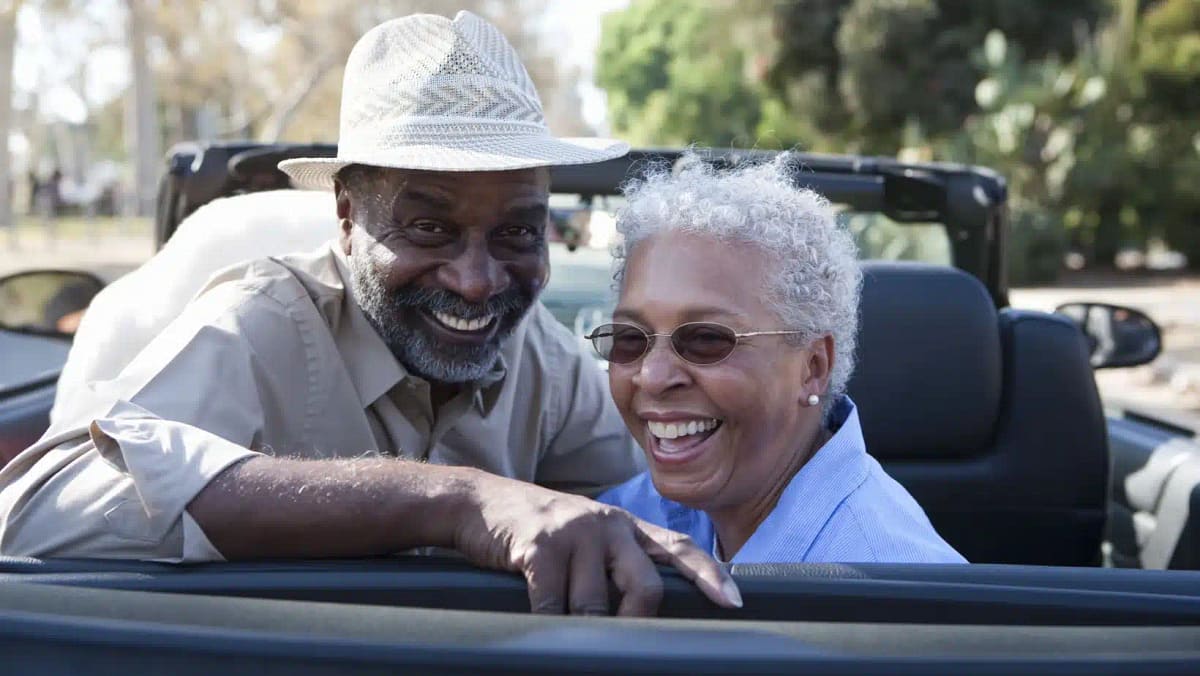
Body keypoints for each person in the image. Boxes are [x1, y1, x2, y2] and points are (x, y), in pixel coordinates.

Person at [0, 11, 741, 616]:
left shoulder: (542, 360)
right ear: (348, 218)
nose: (478, 283)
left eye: (517, 233)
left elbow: (666, 503)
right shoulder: (261, 325)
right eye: (430, 228)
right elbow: (35, 512)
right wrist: (454, 503)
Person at [594, 156, 965, 564]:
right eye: (631, 339)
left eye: (706, 339)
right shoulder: (634, 516)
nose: (652, 375)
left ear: (813, 368)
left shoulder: (888, 579)